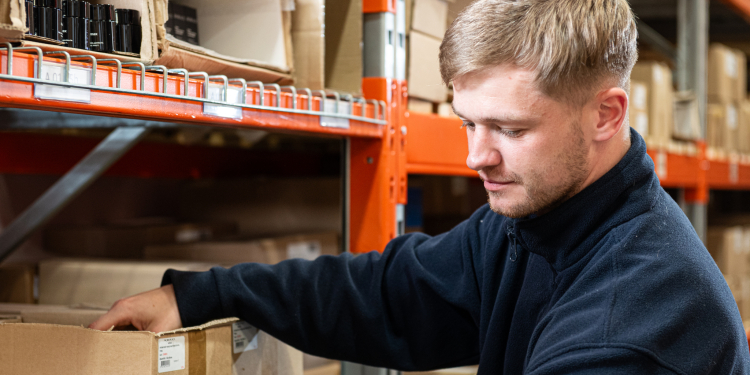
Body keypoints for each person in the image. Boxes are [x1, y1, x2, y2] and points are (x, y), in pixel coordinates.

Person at [90, 0, 750, 373]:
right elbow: (390, 293)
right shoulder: (541, 221)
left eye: (509, 128)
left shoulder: (630, 325)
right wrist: (198, 294)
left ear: (606, 114)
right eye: (467, 122)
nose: (475, 156)